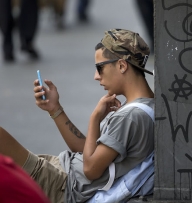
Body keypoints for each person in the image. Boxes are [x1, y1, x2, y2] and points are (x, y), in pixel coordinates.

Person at [0, 28, 154, 202]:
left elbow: (90, 169)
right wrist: (55, 109)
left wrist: (95, 118)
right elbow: (86, 151)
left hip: (64, 184)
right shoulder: (143, 108)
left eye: (100, 68)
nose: (96, 76)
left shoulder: (130, 117)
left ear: (121, 65)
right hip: (63, 172)